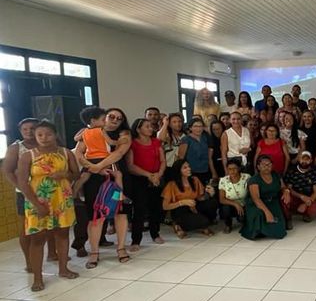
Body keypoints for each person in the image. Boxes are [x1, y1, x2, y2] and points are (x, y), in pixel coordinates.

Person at [16, 120, 79, 291]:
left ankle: (63, 269)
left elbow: (76, 174)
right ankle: (38, 278)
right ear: (35, 136)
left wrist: (65, 174)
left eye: (48, 134)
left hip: (62, 200)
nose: (44, 138)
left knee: (63, 234)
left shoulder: (66, 153)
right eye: (40, 135)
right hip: (37, 201)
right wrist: (37, 204)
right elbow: (22, 183)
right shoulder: (28, 156)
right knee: (37, 239)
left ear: (55, 135)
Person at [74, 107, 132, 268]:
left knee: (120, 212)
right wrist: (92, 167)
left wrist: (98, 166)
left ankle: (121, 248)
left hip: (114, 174)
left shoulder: (124, 134)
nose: (115, 120)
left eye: (119, 118)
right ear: (103, 118)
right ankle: (94, 252)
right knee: (96, 215)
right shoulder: (88, 132)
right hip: (94, 177)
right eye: (111, 116)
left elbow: (118, 153)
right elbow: (79, 153)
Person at [2, 118, 56, 270]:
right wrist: (22, 188)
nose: (28, 132)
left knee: (51, 224)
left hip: (48, 191)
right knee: (26, 229)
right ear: (20, 131)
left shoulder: (46, 145)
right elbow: (8, 171)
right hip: (25, 193)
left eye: (32, 128)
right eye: (24, 129)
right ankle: (29, 262)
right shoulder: (16, 148)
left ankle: (52, 253)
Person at [126, 118, 166, 249]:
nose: (150, 128)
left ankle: (155, 233)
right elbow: (131, 166)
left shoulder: (156, 142)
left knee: (156, 208)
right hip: (140, 179)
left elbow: (163, 161)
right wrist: (149, 175)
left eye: (151, 126)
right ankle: (136, 240)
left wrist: (158, 175)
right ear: (138, 129)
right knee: (139, 209)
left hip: (156, 178)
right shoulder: (133, 144)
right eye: (147, 126)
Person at [162, 160, 218, 238]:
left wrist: (209, 194)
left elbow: (200, 198)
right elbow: (165, 206)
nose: (189, 169)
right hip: (180, 210)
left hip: (194, 207)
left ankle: (204, 223)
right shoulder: (171, 184)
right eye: (185, 168)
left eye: (189, 166)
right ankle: (178, 225)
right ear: (178, 170)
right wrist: (182, 202)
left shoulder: (194, 179)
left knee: (212, 203)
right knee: (203, 221)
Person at [241, 155, 291, 240]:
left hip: (273, 202)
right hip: (257, 204)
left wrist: (286, 191)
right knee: (261, 215)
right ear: (258, 167)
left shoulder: (276, 175)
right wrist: (267, 213)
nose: (267, 167)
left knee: (279, 230)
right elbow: (256, 199)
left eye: (269, 164)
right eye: (263, 165)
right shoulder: (254, 180)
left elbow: (283, 187)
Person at [283, 151, 316, 226]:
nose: (304, 161)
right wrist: (301, 196)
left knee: (315, 209)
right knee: (285, 199)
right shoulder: (292, 171)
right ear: (299, 159)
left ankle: (306, 214)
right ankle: (288, 217)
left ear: (311, 160)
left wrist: (306, 203)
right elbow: (289, 189)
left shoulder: (315, 172)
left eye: (307, 159)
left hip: (309, 197)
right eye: (302, 159)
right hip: (295, 196)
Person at [178, 117, 214, 185]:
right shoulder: (186, 139)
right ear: (190, 128)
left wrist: (213, 172)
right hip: (191, 171)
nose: (198, 128)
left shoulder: (205, 138)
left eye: (200, 126)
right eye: (195, 126)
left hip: (205, 170)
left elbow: (209, 157)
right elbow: (181, 158)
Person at [219, 159, 250, 233]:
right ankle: (228, 224)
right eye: (229, 169)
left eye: (234, 168)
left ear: (239, 168)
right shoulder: (223, 180)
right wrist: (236, 204)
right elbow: (222, 199)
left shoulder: (246, 177)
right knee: (225, 209)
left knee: (242, 219)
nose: (232, 171)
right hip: (231, 206)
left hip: (245, 204)